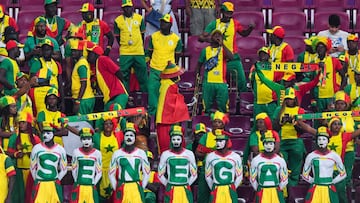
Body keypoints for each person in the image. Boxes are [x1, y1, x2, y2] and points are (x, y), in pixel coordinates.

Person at [299, 117, 360, 203]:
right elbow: (309, 129)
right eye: (335, 124)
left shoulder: (344, 136)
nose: (337, 126)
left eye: (339, 124)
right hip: (324, 171)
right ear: (330, 125)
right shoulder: (323, 134)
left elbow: (357, 132)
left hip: (337, 171)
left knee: (341, 194)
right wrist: (298, 121)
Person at [199, 1, 254, 93]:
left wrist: (250, 29)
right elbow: (201, 37)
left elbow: (244, 34)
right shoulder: (214, 24)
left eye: (231, 13)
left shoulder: (235, 23)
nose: (229, 15)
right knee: (212, 79)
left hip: (233, 58)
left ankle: (243, 100)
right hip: (218, 58)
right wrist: (212, 40)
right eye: (227, 13)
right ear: (222, 12)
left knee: (242, 81)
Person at [147, 14, 182, 116]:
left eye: (165, 23)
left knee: (166, 94)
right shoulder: (153, 37)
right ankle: (153, 116)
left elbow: (177, 55)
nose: (162, 24)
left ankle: (166, 116)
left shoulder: (176, 39)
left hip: (168, 72)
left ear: (170, 25)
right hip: (154, 69)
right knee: (153, 94)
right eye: (162, 22)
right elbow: (149, 52)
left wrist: (173, 68)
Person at [301, 126, 346, 203]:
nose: (321, 141)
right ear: (316, 141)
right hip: (315, 189)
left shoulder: (334, 155)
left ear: (328, 141)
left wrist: (332, 181)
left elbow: (343, 173)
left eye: (324, 139)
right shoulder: (311, 156)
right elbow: (304, 174)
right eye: (319, 139)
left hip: (329, 188)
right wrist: (314, 181)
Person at [272, 87, 306, 187]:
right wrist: (281, 123)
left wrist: (294, 124)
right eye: (287, 99)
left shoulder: (300, 110)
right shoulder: (279, 109)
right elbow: (273, 128)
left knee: (295, 168)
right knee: (283, 165)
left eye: (291, 98)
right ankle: (284, 188)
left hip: (296, 142)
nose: (289, 101)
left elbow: (303, 131)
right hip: (282, 142)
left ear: (295, 98)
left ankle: (293, 189)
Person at [109, 122, 150, 203]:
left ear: (135, 138)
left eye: (131, 135)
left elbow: (147, 172)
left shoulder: (141, 153)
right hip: (122, 186)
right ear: (123, 137)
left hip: (136, 187)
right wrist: (116, 187)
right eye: (127, 135)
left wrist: (142, 186)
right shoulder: (117, 153)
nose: (129, 138)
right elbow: (111, 173)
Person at [196, 29, 233, 114]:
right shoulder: (205, 50)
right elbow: (199, 65)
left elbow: (231, 57)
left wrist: (222, 44)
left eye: (219, 35)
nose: (217, 37)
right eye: (215, 35)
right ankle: (207, 123)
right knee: (206, 107)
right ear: (211, 38)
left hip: (221, 83)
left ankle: (222, 124)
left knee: (223, 106)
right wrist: (198, 78)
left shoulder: (223, 50)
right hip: (208, 82)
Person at [114, 0, 148, 93]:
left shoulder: (140, 18)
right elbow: (117, 37)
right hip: (125, 52)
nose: (127, 9)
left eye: (129, 7)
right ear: (122, 8)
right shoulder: (117, 20)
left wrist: (137, 44)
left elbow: (142, 35)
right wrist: (125, 44)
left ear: (132, 7)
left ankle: (145, 95)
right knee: (124, 75)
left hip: (138, 51)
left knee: (142, 75)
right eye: (125, 7)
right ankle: (125, 95)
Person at [195, 110, 229, 203]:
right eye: (215, 122)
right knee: (203, 196)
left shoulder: (226, 138)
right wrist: (212, 152)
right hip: (206, 169)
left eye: (219, 122)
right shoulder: (205, 136)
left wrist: (207, 151)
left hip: (221, 170)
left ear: (223, 125)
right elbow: (198, 153)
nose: (216, 124)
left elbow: (227, 154)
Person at [158, 125, 197, 202]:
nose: (176, 141)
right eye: (174, 139)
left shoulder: (189, 154)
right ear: (171, 140)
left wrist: (187, 184)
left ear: (182, 140)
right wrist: (168, 184)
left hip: (185, 188)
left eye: (178, 139)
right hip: (171, 188)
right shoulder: (165, 154)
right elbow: (160, 174)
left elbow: (194, 174)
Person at [30, 122, 67, 203]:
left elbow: (64, 169)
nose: (45, 135)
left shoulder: (60, 149)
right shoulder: (36, 148)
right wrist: (37, 180)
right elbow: (32, 167)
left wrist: (57, 179)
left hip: (54, 183)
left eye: (48, 133)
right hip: (40, 183)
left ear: (54, 134)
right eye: (43, 132)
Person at [156, 62, 189, 153]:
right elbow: (177, 103)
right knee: (171, 148)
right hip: (168, 120)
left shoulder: (163, 83)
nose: (178, 77)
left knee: (163, 148)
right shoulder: (171, 86)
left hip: (161, 120)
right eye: (177, 75)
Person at [7, 112, 40, 203]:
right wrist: (15, 154)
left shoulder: (36, 138)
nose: (21, 125)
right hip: (19, 171)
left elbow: (41, 153)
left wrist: (33, 154)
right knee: (19, 194)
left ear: (29, 124)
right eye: (20, 123)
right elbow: (8, 152)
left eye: (24, 122)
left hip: (32, 171)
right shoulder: (14, 137)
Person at [86, 43, 129, 110]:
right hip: (109, 98)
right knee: (104, 120)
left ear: (95, 54)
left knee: (116, 118)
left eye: (90, 53)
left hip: (118, 95)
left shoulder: (102, 59)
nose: (87, 55)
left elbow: (118, 71)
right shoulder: (96, 65)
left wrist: (125, 91)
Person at [250, 130, 288, 203]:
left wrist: (278, 188)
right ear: (263, 145)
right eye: (266, 144)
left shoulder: (280, 160)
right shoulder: (256, 160)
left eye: (271, 143)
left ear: (274, 145)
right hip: (262, 190)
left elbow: (285, 178)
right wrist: (259, 189)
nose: (268, 146)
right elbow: (252, 178)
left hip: (276, 190)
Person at [205, 129, 242, 202]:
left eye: (221, 141)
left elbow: (239, 176)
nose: (218, 143)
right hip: (216, 187)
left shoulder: (236, 157)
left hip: (230, 187)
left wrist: (233, 188)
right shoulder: (210, 156)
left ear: (227, 142)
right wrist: (214, 188)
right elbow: (207, 176)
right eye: (217, 141)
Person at [93, 116, 123, 202]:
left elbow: (130, 133)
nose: (108, 125)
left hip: (115, 172)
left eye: (110, 123)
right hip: (100, 172)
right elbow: (81, 134)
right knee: (100, 197)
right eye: (106, 123)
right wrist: (66, 126)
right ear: (102, 125)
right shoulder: (97, 136)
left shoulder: (118, 135)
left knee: (115, 196)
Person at [312, 36, 346, 112]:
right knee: (319, 119)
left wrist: (340, 90)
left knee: (332, 119)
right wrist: (313, 98)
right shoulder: (313, 62)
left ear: (326, 49)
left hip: (331, 96)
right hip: (318, 96)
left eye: (322, 47)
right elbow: (311, 81)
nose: (320, 49)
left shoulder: (334, 61)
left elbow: (344, 76)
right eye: (318, 47)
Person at [71, 127, 102, 203]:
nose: (86, 141)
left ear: (92, 139)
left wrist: (93, 183)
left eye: (88, 139)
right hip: (79, 185)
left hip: (90, 186)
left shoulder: (97, 153)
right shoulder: (76, 152)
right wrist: (77, 181)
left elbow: (99, 171)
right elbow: (74, 169)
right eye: (84, 139)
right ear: (81, 140)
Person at [249, 47, 282, 117]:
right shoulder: (255, 67)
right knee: (258, 123)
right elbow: (251, 81)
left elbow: (279, 84)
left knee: (272, 123)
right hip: (258, 103)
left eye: (264, 54)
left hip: (271, 102)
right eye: (261, 54)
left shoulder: (274, 67)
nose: (262, 56)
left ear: (269, 55)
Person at [70, 39, 95, 115]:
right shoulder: (79, 63)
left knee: (83, 124)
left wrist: (78, 101)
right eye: (72, 51)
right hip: (83, 98)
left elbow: (84, 84)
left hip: (84, 99)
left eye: (75, 51)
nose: (73, 53)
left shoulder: (81, 64)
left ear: (81, 52)